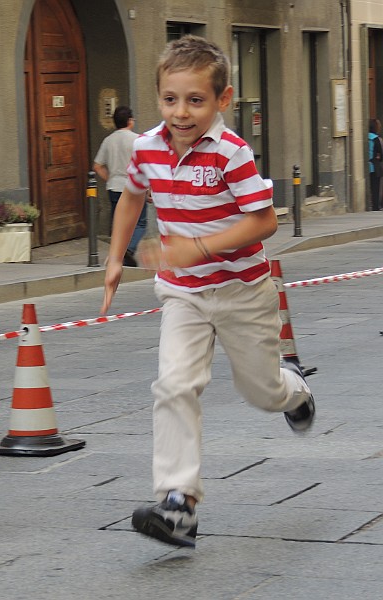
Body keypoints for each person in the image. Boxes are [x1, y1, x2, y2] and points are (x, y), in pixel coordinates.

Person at [100, 35, 315, 549]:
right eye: (170, 99)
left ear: (223, 99)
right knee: (174, 385)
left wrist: (198, 246)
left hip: (243, 292)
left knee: (261, 392)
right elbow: (132, 196)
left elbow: (264, 221)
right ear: (158, 97)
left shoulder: (231, 153)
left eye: (195, 100)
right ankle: (179, 503)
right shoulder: (146, 147)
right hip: (184, 294)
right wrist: (114, 258)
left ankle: (295, 391)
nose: (181, 112)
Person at [93, 106, 146, 267]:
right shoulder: (138, 140)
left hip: (114, 187)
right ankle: (128, 249)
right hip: (134, 186)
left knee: (119, 222)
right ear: (130, 121)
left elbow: (97, 166)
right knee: (140, 222)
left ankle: (119, 252)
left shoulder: (108, 140)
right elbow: (146, 166)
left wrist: (110, 178)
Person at [368, 118, 383, 211]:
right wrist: (378, 157)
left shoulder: (366, 137)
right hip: (374, 166)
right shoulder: (376, 139)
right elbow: (380, 153)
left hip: (367, 165)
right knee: (375, 187)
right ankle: (375, 206)